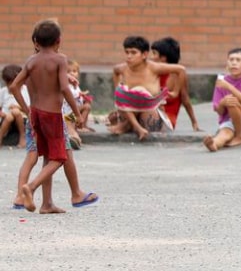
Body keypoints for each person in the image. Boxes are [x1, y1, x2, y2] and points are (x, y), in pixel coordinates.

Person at [10, 19, 98, 214]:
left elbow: (14, 86)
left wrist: (26, 109)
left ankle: (47, 203)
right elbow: (65, 89)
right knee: (59, 157)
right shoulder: (60, 59)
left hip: (36, 114)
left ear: (36, 42)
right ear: (59, 41)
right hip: (53, 116)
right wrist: (77, 113)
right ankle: (31, 188)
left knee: (48, 155)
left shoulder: (31, 61)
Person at [108, 35, 187, 141]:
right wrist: (118, 91)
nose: (129, 56)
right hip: (129, 112)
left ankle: (129, 125)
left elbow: (181, 70)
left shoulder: (153, 67)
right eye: (127, 52)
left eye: (133, 52)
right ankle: (132, 126)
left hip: (150, 115)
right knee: (125, 93)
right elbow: (115, 71)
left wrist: (175, 92)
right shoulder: (123, 68)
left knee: (140, 91)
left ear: (144, 54)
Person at [203, 47, 241, 152]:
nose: (234, 63)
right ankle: (214, 144)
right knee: (224, 133)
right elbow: (219, 111)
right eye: (231, 60)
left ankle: (240, 136)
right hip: (230, 121)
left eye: (238, 60)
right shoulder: (221, 81)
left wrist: (229, 87)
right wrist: (223, 103)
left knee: (232, 101)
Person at [151, 37, 200, 132]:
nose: (151, 57)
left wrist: (194, 122)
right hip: (149, 114)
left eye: (154, 53)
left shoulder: (177, 75)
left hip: (167, 119)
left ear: (163, 58)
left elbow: (185, 99)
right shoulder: (152, 72)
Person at [0, 64, 27, 148]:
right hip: (6, 119)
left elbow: (30, 108)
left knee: (15, 112)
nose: (12, 87)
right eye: (9, 84)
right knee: (10, 116)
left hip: (22, 118)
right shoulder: (3, 92)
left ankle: (22, 136)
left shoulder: (26, 91)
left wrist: (19, 108)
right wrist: (2, 114)